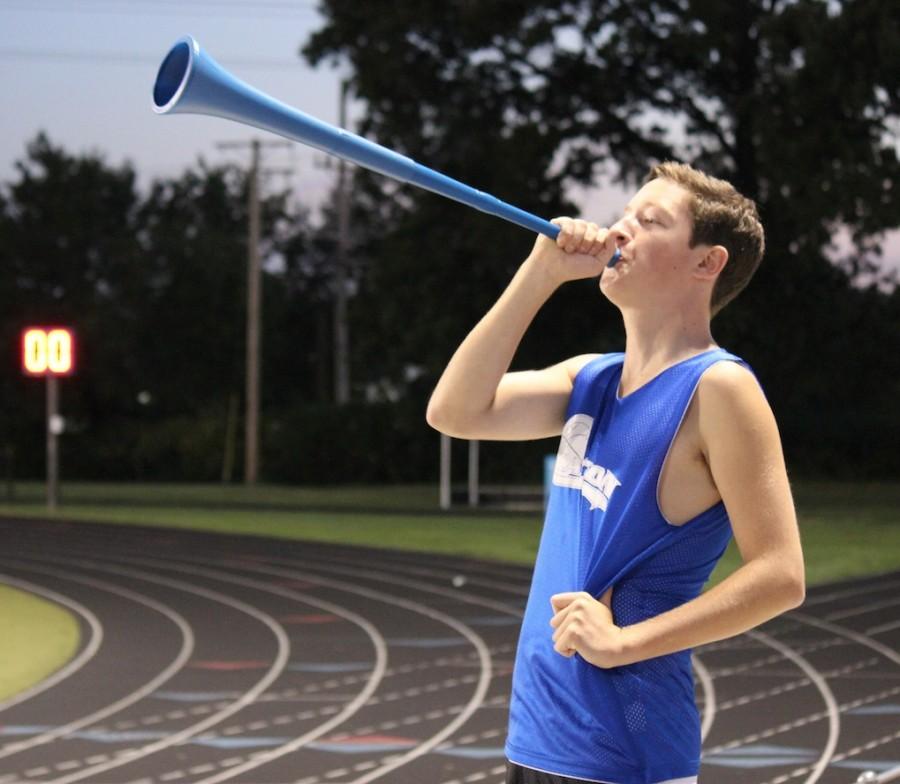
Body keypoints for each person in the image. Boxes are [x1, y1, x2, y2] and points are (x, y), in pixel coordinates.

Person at [426, 161, 806, 784]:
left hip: (627, 747)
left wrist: (624, 643)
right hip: (537, 734)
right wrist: (539, 274)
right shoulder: (591, 378)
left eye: (649, 221)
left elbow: (781, 575)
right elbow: (454, 411)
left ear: (706, 263)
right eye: (624, 214)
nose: (619, 230)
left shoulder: (720, 389)